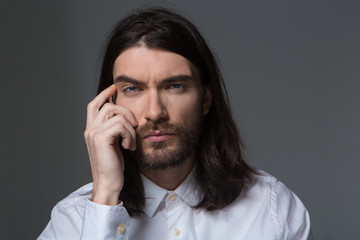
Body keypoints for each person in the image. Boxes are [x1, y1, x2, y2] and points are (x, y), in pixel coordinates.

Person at [38, 7, 312, 240]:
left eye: (175, 86)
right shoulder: (72, 222)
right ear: (108, 105)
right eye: (133, 89)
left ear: (205, 99)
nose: (155, 112)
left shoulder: (273, 209)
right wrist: (106, 195)